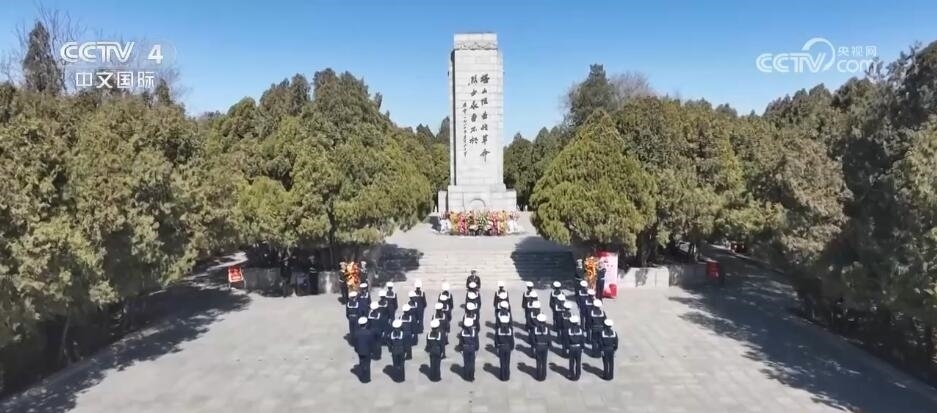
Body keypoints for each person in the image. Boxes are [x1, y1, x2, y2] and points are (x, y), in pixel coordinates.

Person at [494, 314, 514, 381]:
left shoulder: (498, 330)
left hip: (501, 347)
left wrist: (497, 347)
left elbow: (496, 340)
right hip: (508, 347)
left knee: (502, 362)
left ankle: (502, 377)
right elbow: (512, 340)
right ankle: (507, 376)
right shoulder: (510, 330)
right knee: (507, 362)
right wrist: (511, 347)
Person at [353, 317, 373, 382]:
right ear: (366, 324)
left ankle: (362, 378)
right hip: (367, 351)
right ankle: (367, 378)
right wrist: (371, 351)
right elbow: (371, 343)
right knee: (367, 364)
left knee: (362, 363)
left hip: (360, 351)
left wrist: (357, 350)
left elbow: (355, 343)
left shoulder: (357, 333)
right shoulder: (369, 333)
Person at [566, 315, 586, 380]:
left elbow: (567, 340)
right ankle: (578, 374)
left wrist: (567, 348)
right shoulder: (580, 330)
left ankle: (571, 374)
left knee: (571, 362)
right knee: (578, 362)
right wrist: (582, 347)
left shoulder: (569, 330)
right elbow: (582, 339)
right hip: (578, 348)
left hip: (571, 348)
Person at [532, 313, 551, 381]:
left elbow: (533, 339)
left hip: (538, 346)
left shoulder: (535, 329)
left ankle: (538, 376)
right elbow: (549, 338)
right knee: (544, 362)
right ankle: (544, 375)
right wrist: (549, 346)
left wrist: (534, 346)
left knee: (538, 362)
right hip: (545, 346)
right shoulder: (547, 329)